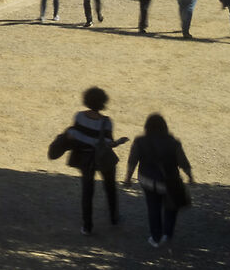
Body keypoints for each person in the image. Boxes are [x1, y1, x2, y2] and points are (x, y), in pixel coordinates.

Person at [60, 87, 123, 234]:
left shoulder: (79, 117)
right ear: (103, 102)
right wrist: (119, 142)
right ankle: (114, 217)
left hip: (85, 159)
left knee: (87, 191)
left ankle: (87, 226)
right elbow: (108, 143)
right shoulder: (106, 122)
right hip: (102, 158)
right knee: (110, 187)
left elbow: (74, 134)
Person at [125, 114, 193, 248]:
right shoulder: (173, 142)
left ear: (147, 126)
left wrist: (128, 178)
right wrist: (190, 176)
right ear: (164, 127)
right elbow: (183, 162)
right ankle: (167, 233)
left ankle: (156, 238)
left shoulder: (140, 141)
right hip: (169, 182)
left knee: (153, 207)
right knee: (171, 207)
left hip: (147, 180)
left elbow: (132, 161)